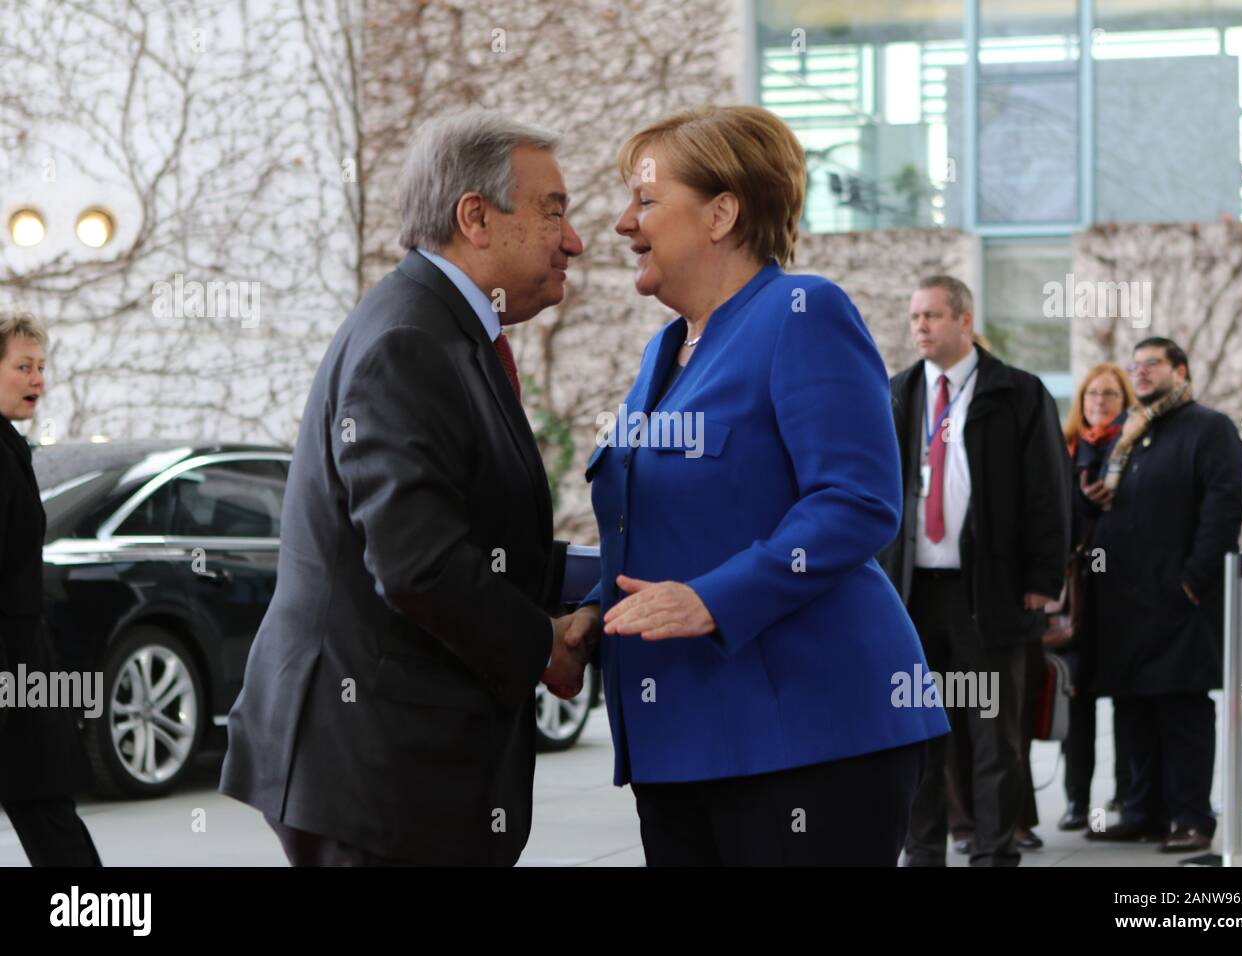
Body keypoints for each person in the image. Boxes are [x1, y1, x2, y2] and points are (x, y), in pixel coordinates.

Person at [559, 105, 947, 866]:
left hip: (804, 735)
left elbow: (858, 500)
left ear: (722, 213)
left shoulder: (803, 313)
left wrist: (712, 600)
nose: (619, 225)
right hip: (681, 743)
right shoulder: (663, 353)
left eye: (644, 200)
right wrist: (592, 608)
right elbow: (671, 530)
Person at [219, 111, 588, 866]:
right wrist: (542, 645)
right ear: (475, 218)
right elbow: (419, 564)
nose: (575, 240)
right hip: (374, 776)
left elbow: (476, 539)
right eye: (554, 210)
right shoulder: (410, 341)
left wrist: (607, 578)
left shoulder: (449, 328)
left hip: (391, 771)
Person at [880, 275, 1070, 867]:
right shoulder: (897, 393)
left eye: (933, 316)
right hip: (912, 598)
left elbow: (1050, 490)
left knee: (995, 736)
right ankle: (924, 852)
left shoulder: (1017, 393)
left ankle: (994, 852)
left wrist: (1044, 579)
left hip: (988, 594)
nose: (920, 327)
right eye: (914, 317)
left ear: (965, 321)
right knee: (918, 734)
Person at [1083, 337, 1242, 853]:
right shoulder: (1132, 434)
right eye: (1136, 366)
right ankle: (1141, 811)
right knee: (1132, 708)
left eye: (1152, 364)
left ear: (1181, 370)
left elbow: (1226, 505)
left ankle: (1190, 819)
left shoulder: (1210, 428)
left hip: (1179, 599)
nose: (1141, 373)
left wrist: (1193, 580)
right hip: (1124, 602)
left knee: (1182, 710)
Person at [0, 310, 102, 867]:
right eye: (23, 367)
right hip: (12, 670)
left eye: (41, 367)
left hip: (22, 667)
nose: (38, 379)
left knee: (45, 807)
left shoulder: (11, 447)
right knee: (48, 812)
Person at [1055, 362, 1135, 831]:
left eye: (1109, 395)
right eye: (1091, 395)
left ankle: (1126, 795)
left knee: (1125, 698)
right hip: (1076, 593)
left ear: (1123, 401)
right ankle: (1076, 802)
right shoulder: (1065, 449)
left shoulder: (1130, 450)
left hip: (1121, 591)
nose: (1099, 402)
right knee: (1077, 698)